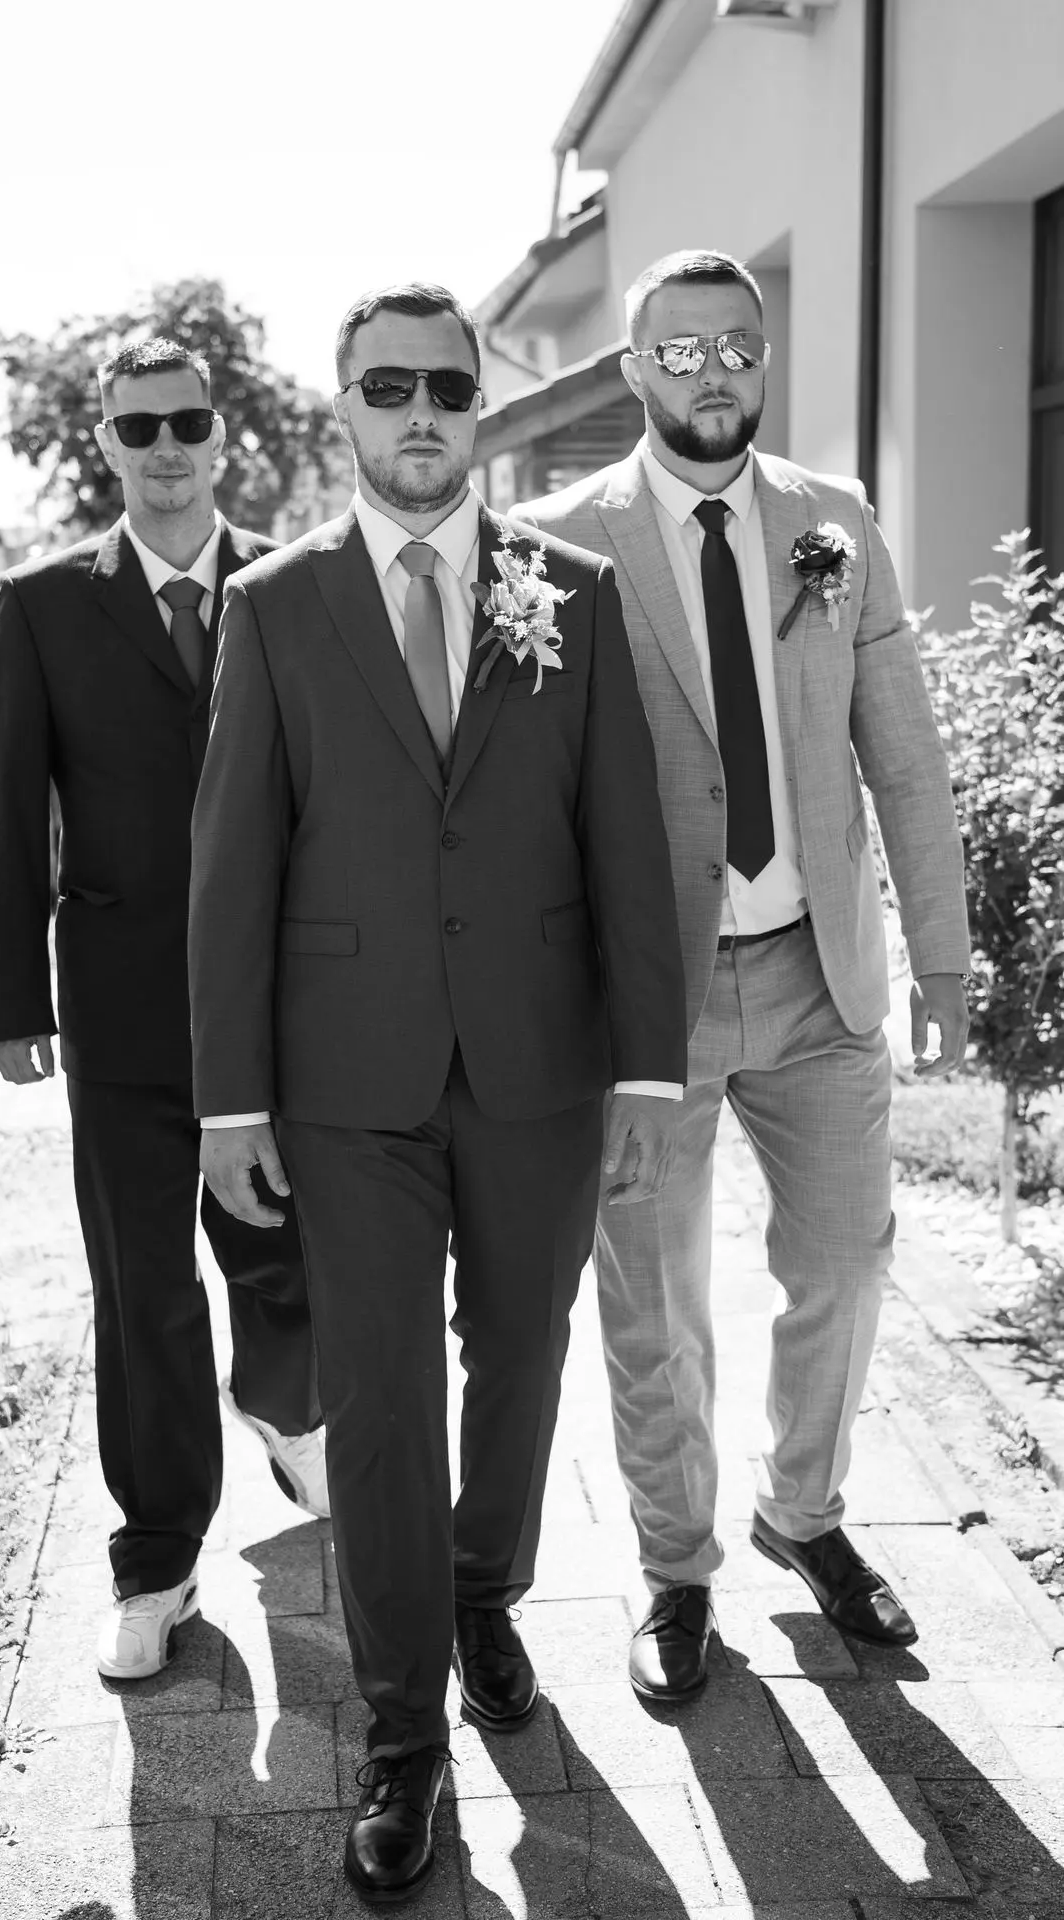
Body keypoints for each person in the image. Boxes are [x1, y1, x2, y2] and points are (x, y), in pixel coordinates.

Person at [189, 283, 687, 1904]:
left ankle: (486, 1593)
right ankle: (403, 1734)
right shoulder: (273, 604)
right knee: (385, 1393)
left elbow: (627, 839)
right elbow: (231, 864)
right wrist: (231, 1102)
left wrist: (646, 1068)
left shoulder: (574, 594)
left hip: (539, 1063)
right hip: (345, 1075)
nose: (420, 414)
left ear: (478, 407)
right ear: (341, 407)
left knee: (523, 1355)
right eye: (387, 387)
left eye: (446, 389)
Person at [518, 249, 970, 1705]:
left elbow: (903, 755)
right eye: (678, 349)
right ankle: (673, 1568)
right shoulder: (551, 545)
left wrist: (942, 952)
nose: (709, 371)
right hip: (641, 997)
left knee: (842, 1261)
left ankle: (804, 1512)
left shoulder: (834, 521)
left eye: (733, 346)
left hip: (819, 971)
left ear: (762, 360)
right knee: (652, 1300)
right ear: (632, 368)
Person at [0, 338, 327, 1686]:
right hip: (119, 1009)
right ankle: (157, 1560)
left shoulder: (297, 583)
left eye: (187, 422)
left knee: (286, 1254)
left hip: (279, 1002)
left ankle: (285, 1401)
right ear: (107, 445)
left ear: (220, 436)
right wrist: (12, 995)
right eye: (139, 427)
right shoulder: (43, 605)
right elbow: (9, 807)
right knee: (145, 1294)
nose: (166, 446)